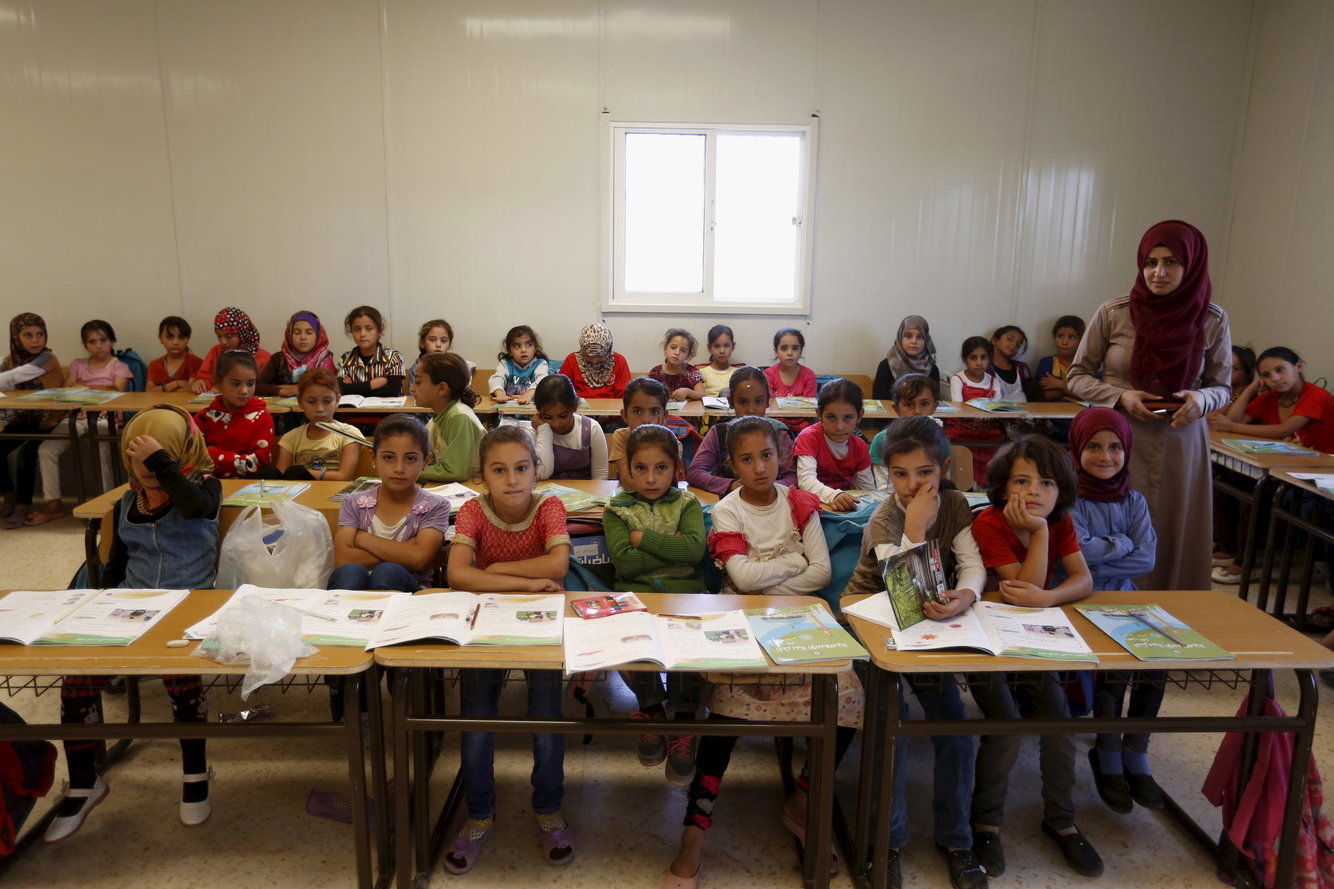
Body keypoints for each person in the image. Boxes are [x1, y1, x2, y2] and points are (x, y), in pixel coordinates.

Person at [664, 416, 860, 888]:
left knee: (849, 699)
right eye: (747, 459)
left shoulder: (800, 504)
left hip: (799, 620)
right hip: (743, 622)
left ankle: (804, 801)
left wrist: (766, 571)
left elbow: (821, 573)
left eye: (767, 456)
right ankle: (695, 829)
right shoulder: (728, 511)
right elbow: (747, 581)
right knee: (726, 720)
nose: (759, 468)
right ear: (732, 463)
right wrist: (788, 565)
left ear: (783, 456)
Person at [44, 404, 221, 843]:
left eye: (156, 459)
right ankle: (86, 781)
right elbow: (115, 562)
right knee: (78, 677)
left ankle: (196, 773)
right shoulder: (127, 500)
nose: (145, 470)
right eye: (136, 461)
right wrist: (100, 607)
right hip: (131, 604)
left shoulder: (203, 486)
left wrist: (164, 464)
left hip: (186, 602)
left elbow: (194, 504)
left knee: (180, 677)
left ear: (180, 454)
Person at [843, 417, 988, 889]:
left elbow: (971, 565)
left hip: (927, 621)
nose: (911, 485)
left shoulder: (958, 505)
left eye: (923, 473)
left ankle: (957, 837)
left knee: (956, 726)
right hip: (873, 613)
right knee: (893, 723)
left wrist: (966, 595)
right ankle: (889, 840)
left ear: (943, 469)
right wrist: (916, 524)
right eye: (900, 474)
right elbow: (904, 589)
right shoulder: (886, 519)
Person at [1067, 219, 1232, 590]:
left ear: (1191, 265)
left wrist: (1201, 398)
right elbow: (1076, 376)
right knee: (1112, 523)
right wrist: (1120, 395)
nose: (1158, 272)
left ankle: (1171, 612)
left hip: (1181, 438)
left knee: (1173, 525)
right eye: (1150, 262)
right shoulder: (1115, 312)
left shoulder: (1211, 318)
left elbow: (1222, 386)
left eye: (1171, 262)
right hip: (1118, 438)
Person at [967, 436, 1099, 879]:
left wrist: (1049, 598)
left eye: (1046, 483)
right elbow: (1023, 588)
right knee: (1005, 725)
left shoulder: (1058, 521)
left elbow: (1082, 580)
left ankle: (1061, 820)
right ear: (1004, 488)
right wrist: (1039, 536)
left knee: (1059, 721)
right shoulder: (989, 522)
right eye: (1022, 481)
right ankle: (985, 822)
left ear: (1061, 490)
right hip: (984, 640)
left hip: (1030, 637)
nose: (1035, 492)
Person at [445, 426, 573, 873]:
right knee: (477, 722)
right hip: (487, 628)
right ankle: (479, 813)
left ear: (536, 472)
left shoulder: (548, 506)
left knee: (546, 721)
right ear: (482, 477)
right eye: (499, 470)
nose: (512, 479)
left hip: (542, 629)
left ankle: (548, 810)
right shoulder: (472, 510)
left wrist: (496, 568)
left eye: (521, 468)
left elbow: (558, 564)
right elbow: (457, 575)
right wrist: (524, 581)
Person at [1060, 407, 1163, 815]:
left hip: (1125, 599)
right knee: (1117, 669)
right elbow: (1075, 555)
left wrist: (1102, 551)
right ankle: (1106, 754)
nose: (1106, 456)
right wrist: (1122, 543)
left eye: (1116, 447)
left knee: (1157, 662)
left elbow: (1147, 559)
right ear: (1077, 448)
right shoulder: (1068, 499)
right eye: (1095, 447)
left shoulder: (1134, 500)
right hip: (1077, 601)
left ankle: (1135, 752)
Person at [603, 424, 707, 784]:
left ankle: (682, 721)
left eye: (661, 468)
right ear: (627, 469)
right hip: (636, 595)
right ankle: (650, 709)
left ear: (677, 468)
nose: (650, 478)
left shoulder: (688, 503)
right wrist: (668, 545)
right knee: (634, 637)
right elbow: (625, 563)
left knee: (686, 640)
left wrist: (642, 538)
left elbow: (695, 550)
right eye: (641, 468)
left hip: (685, 593)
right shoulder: (616, 509)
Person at [328, 414, 449, 592]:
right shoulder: (353, 502)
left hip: (408, 598)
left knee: (388, 572)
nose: (399, 468)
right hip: (356, 591)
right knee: (349, 571)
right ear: (373, 457)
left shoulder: (435, 506)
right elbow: (343, 559)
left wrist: (362, 538)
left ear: (426, 461)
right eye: (388, 458)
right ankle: (345, 618)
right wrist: (405, 551)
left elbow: (420, 558)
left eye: (410, 459)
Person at [33, 320, 132, 523]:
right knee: (46, 449)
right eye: (92, 341)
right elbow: (67, 387)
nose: (98, 345)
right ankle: (53, 502)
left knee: (102, 449)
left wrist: (84, 387)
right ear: (85, 344)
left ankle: (107, 501)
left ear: (112, 341)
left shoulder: (120, 366)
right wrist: (101, 388)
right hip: (76, 416)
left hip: (107, 417)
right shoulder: (78, 364)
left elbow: (118, 391)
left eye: (103, 340)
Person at [687, 365, 795, 496]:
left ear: (767, 401)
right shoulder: (719, 433)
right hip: (732, 504)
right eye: (743, 402)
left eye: (759, 401)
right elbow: (694, 472)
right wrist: (730, 485)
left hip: (772, 501)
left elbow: (792, 478)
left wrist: (767, 487)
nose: (751, 410)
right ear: (731, 402)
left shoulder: (779, 433)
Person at [0, 313, 63, 527]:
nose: (36, 340)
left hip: (49, 418)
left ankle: (23, 504)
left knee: (26, 453)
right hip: (23, 417)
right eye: (28, 335)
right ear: (16, 338)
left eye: (40, 334)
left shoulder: (48, 358)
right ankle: (8, 495)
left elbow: (12, 378)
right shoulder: (9, 360)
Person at [1209, 346, 1332, 454]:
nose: (1275, 378)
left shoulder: (1316, 395)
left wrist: (1232, 427)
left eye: (1280, 370)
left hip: (1324, 466)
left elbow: (1283, 430)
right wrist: (1250, 389)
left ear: (1298, 366)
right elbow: (1233, 420)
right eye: (1266, 375)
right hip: (1286, 463)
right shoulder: (1269, 398)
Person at [262, 368, 362, 481]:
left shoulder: (349, 435)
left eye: (327, 401)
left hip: (332, 495)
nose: (319, 409)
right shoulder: (291, 438)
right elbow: (283, 477)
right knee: (269, 473)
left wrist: (303, 474)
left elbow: (344, 476)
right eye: (311, 402)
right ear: (300, 402)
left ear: (337, 400)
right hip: (299, 496)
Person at [793, 378, 873, 511]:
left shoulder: (860, 446)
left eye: (848, 417)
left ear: (860, 416)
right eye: (831, 417)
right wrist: (834, 495)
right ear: (819, 414)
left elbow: (867, 491)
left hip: (843, 509)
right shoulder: (808, 438)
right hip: (812, 509)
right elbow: (805, 481)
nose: (839, 427)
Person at [196, 351, 274, 478]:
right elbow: (191, 456)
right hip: (208, 485)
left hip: (248, 487)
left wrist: (211, 453)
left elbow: (259, 464)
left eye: (250, 384)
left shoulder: (262, 417)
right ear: (218, 383)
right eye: (236, 384)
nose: (244, 391)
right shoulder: (205, 417)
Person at [412, 352, 485, 483]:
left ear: (441, 388)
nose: (412, 388)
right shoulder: (438, 419)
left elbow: (455, 472)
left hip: (470, 490)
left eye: (418, 382)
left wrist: (411, 472)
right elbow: (432, 465)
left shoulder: (459, 417)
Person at [870, 373, 939, 492]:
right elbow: (885, 490)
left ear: (934, 406)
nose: (917, 411)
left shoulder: (939, 440)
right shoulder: (882, 440)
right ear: (896, 408)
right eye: (909, 404)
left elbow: (940, 483)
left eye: (924, 404)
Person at [531, 374, 608, 480]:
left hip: (587, 494)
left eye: (563, 416)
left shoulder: (591, 429)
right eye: (548, 417)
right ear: (539, 412)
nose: (556, 424)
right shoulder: (536, 432)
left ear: (574, 407)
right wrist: (544, 430)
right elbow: (541, 474)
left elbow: (601, 478)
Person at [607, 377, 682, 486]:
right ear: (624, 415)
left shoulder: (673, 443)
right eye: (637, 411)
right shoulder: (622, 436)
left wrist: (659, 440)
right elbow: (628, 482)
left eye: (655, 412)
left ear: (665, 416)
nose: (646, 420)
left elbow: (669, 484)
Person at [256, 310, 336, 397]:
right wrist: (281, 391)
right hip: (283, 409)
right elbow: (257, 386)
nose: (303, 337)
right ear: (289, 335)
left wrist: (296, 388)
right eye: (297, 333)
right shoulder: (279, 359)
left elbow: (329, 388)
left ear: (318, 335)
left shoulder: (325, 358)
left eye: (309, 333)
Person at [190, 307, 271, 394]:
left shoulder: (263, 357)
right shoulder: (216, 351)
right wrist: (200, 382)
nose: (223, 342)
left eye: (228, 336)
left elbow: (262, 386)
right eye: (219, 336)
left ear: (242, 333)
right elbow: (205, 377)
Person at [338, 305, 405, 397]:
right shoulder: (345, 359)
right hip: (355, 411)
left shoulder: (393, 356)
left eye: (369, 329)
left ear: (379, 331)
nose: (362, 334)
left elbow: (393, 391)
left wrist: (353, 388)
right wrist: (372, 385)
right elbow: (340, 390)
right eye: (357, 329)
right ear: (351, 331)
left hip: (388, 411)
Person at [873, 315, 941, 400]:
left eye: (920, 337)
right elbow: (879, 403)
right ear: (900, 337)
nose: (914, 341)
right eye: (908, 336)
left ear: (926, 341)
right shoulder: (886, 366)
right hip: (892, 413)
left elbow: (934, 403)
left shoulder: (932, 369)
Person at [559, 323, 630, 399]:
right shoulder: (572, 360)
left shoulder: (619, 361)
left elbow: (624, 394)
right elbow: (562, 390)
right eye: (588, 356)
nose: (594, 361)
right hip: (579, 407)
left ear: (607, 351)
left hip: (610, 407)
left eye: (599, 356)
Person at [487, 325, 550, 404]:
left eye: (529, 345)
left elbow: (543, 380)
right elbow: (497, 378)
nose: (523, 350)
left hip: (532, 413)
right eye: (517, 346)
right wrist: (500, 393)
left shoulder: (541, 364)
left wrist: (529, 394)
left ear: (535, 348)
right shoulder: (506, 363)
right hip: (508, 412)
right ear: (509, 351)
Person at [408, 319, 472, 389]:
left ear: (450, 344)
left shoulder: (455, 367)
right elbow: (413, 394)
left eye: (443, 341)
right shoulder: (417, 367)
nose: (438, 345)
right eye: (432, 340)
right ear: (422, 342)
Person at [1035, 315, 1086, 403]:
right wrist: (1077, 390)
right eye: (1060, 336)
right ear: (1054, 338)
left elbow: (1090, 395)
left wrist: (1060, 384)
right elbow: (1048, 395)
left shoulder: (1087, 365)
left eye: (1071, 337)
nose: (1064, 342)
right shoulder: (1047, 363)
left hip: (1083, 414)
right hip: (1054, 415)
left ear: (1081, 340)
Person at [146, 316, 202, 393]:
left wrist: (161, 390)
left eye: (181, 338)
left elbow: (193, 389)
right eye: (170, 337)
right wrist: (176, 384)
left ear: (188, 339)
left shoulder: (196, 362)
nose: (175, 342)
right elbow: (149, 392)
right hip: (160, 404)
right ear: (160, 338)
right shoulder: (154, 364)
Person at [649, 327, 707, 401]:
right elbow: (648, 396)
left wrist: (688, 392)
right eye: (673, 347)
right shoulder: (656, 373)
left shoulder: (692, 372)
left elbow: (703, 395)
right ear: (665, 348)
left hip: (688, 411)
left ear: (688, 356)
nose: (677, 353)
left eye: (683, 350)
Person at [987, 325, 1032, 401]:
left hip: (1022, 411)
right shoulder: (984, 367)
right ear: (995, 341)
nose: (1014, 345)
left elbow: (1031, 396)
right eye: (1010, 339)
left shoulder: (1023, 368)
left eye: (1018, 344)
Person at [699, 324, 737, 396]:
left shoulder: (737, 374)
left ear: (733, 346)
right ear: (709, 348)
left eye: (726, 345)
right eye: (717, 346)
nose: (722, 351)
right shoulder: (702, 373)